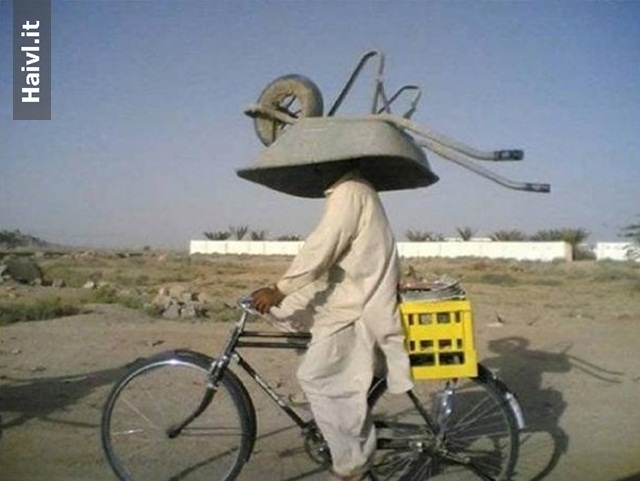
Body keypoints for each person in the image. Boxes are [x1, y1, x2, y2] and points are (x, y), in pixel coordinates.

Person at [251, 169, 414, 481]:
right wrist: (278, 295)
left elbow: (322, 247)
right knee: (285, 311)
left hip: (356, 302)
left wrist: (279, 289)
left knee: (315, 377)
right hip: (348, 291)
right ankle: (336, 385)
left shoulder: (349, 192)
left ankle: (352, 464)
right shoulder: (355, 188)